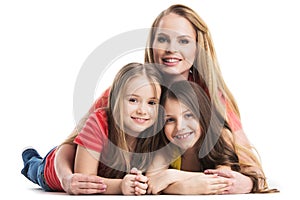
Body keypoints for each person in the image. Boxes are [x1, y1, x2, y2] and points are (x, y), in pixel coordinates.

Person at [54, 4, 274, 194]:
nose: (171, 49)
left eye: (184, 41)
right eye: (162, 39)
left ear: (198, 48)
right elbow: (70, 144)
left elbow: (247, 159)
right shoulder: (133, 87)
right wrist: (66, 178)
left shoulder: (209, 96)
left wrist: (246, 183)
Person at [21, 62, 163, 195]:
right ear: (115, 101)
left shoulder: (155, 133)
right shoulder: (99, 122)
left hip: (77, 151)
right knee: (34, 168)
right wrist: (121, 186)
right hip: (51, 169)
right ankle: (30, 157)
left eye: (151, 102)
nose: (143, 110)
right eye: (133, 100)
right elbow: (84, 179)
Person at [145, 80, 250, 194]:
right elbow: (152, 183)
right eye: (170, 120)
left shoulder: (219, 137)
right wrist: (181, 188)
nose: (179, 127)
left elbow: (224, 181)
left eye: (188, 115)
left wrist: (172, 176)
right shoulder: (168, 148)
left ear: (203, 115)